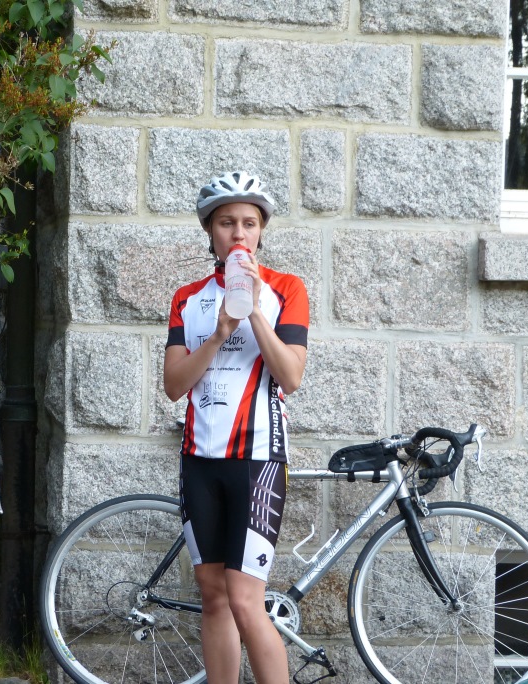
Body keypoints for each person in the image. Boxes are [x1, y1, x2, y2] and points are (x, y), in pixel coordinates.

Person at [163, 171, 309, 684]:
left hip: (257, 460)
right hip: (200, 460)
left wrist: (253, 312)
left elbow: (291, 376)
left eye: (249, 222)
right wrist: (220, 330)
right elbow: (174, 386)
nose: (239, 233)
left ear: (261, 230)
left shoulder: (287, 289)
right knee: (214, 596)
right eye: (227, 223)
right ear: (210, 231)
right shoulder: (187, 298)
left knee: (247, 600)